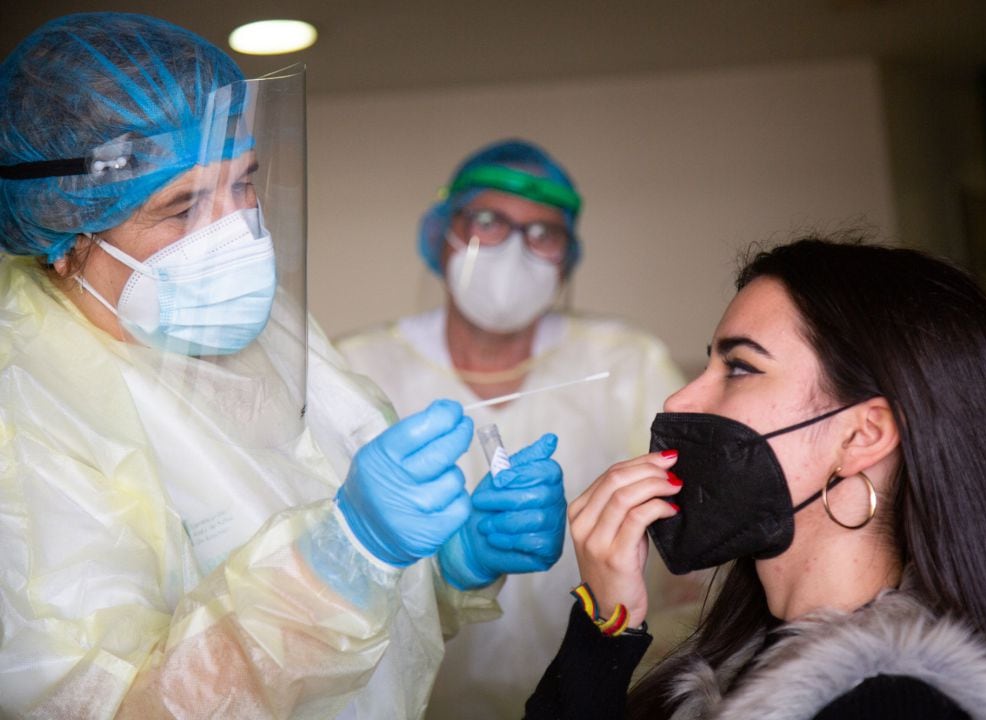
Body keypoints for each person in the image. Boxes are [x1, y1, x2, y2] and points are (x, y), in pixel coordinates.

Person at [0, 14, 566, 719]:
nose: (235, 230)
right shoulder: (26, 417)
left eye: (243, 184)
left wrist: (452, 566)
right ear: (64, 232)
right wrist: (345, 554)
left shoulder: (265, 329)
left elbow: (370, 638)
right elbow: (107, 707)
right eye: (181, 209)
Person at [525, 237, 986, 720]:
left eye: (739, 367)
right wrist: (607, 618)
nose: (681, 400)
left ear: (862, 436)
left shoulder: (893, 704)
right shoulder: (734, 663)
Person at [335, 140, 694, 718]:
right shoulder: (357, 367)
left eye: (542, 232)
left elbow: (695, 557)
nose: (514, 252)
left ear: (566, 261)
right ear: (440, 234)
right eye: (487, 220)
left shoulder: (627, 364)